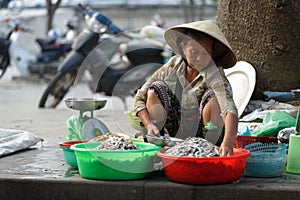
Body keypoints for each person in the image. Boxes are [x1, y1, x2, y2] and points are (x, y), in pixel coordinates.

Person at [133, 20, 238, 156]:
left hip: (202, 131)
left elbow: (229, 108)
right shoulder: (173, 65)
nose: (199, 58)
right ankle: (157, 141)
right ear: (183, 48)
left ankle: (209, 146)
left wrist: (228, 141)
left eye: (205, 53)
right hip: (173, 129)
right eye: (194, 52)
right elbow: (140, 98)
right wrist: (149, 125)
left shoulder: (214, 73)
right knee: (155, 89)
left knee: (213, 97)